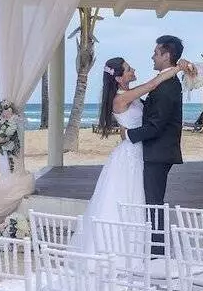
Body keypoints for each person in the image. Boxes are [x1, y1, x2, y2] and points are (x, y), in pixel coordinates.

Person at [73, 46, 193, 255]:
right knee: (129, 197)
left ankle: (144, 249)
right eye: (128, 69)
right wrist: (177, 68)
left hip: (139, 150)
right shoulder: (121, 98)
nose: (133, 70)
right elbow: (153, 84)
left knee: (139, 197)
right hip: (131, 153)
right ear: (119, 78)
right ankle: (129, 250)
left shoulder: (129, 95)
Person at [119, 35, 186, 255]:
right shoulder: (165, 83)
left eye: (156, 53)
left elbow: (156, 125)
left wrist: (129, 134)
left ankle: (157, 254)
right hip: (156, 152)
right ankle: (152, 249)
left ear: (167, 56)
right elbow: (152, 111)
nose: (152, 56)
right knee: (150, 201)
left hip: (158, 153)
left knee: (154, 203)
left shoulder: (167, 86)